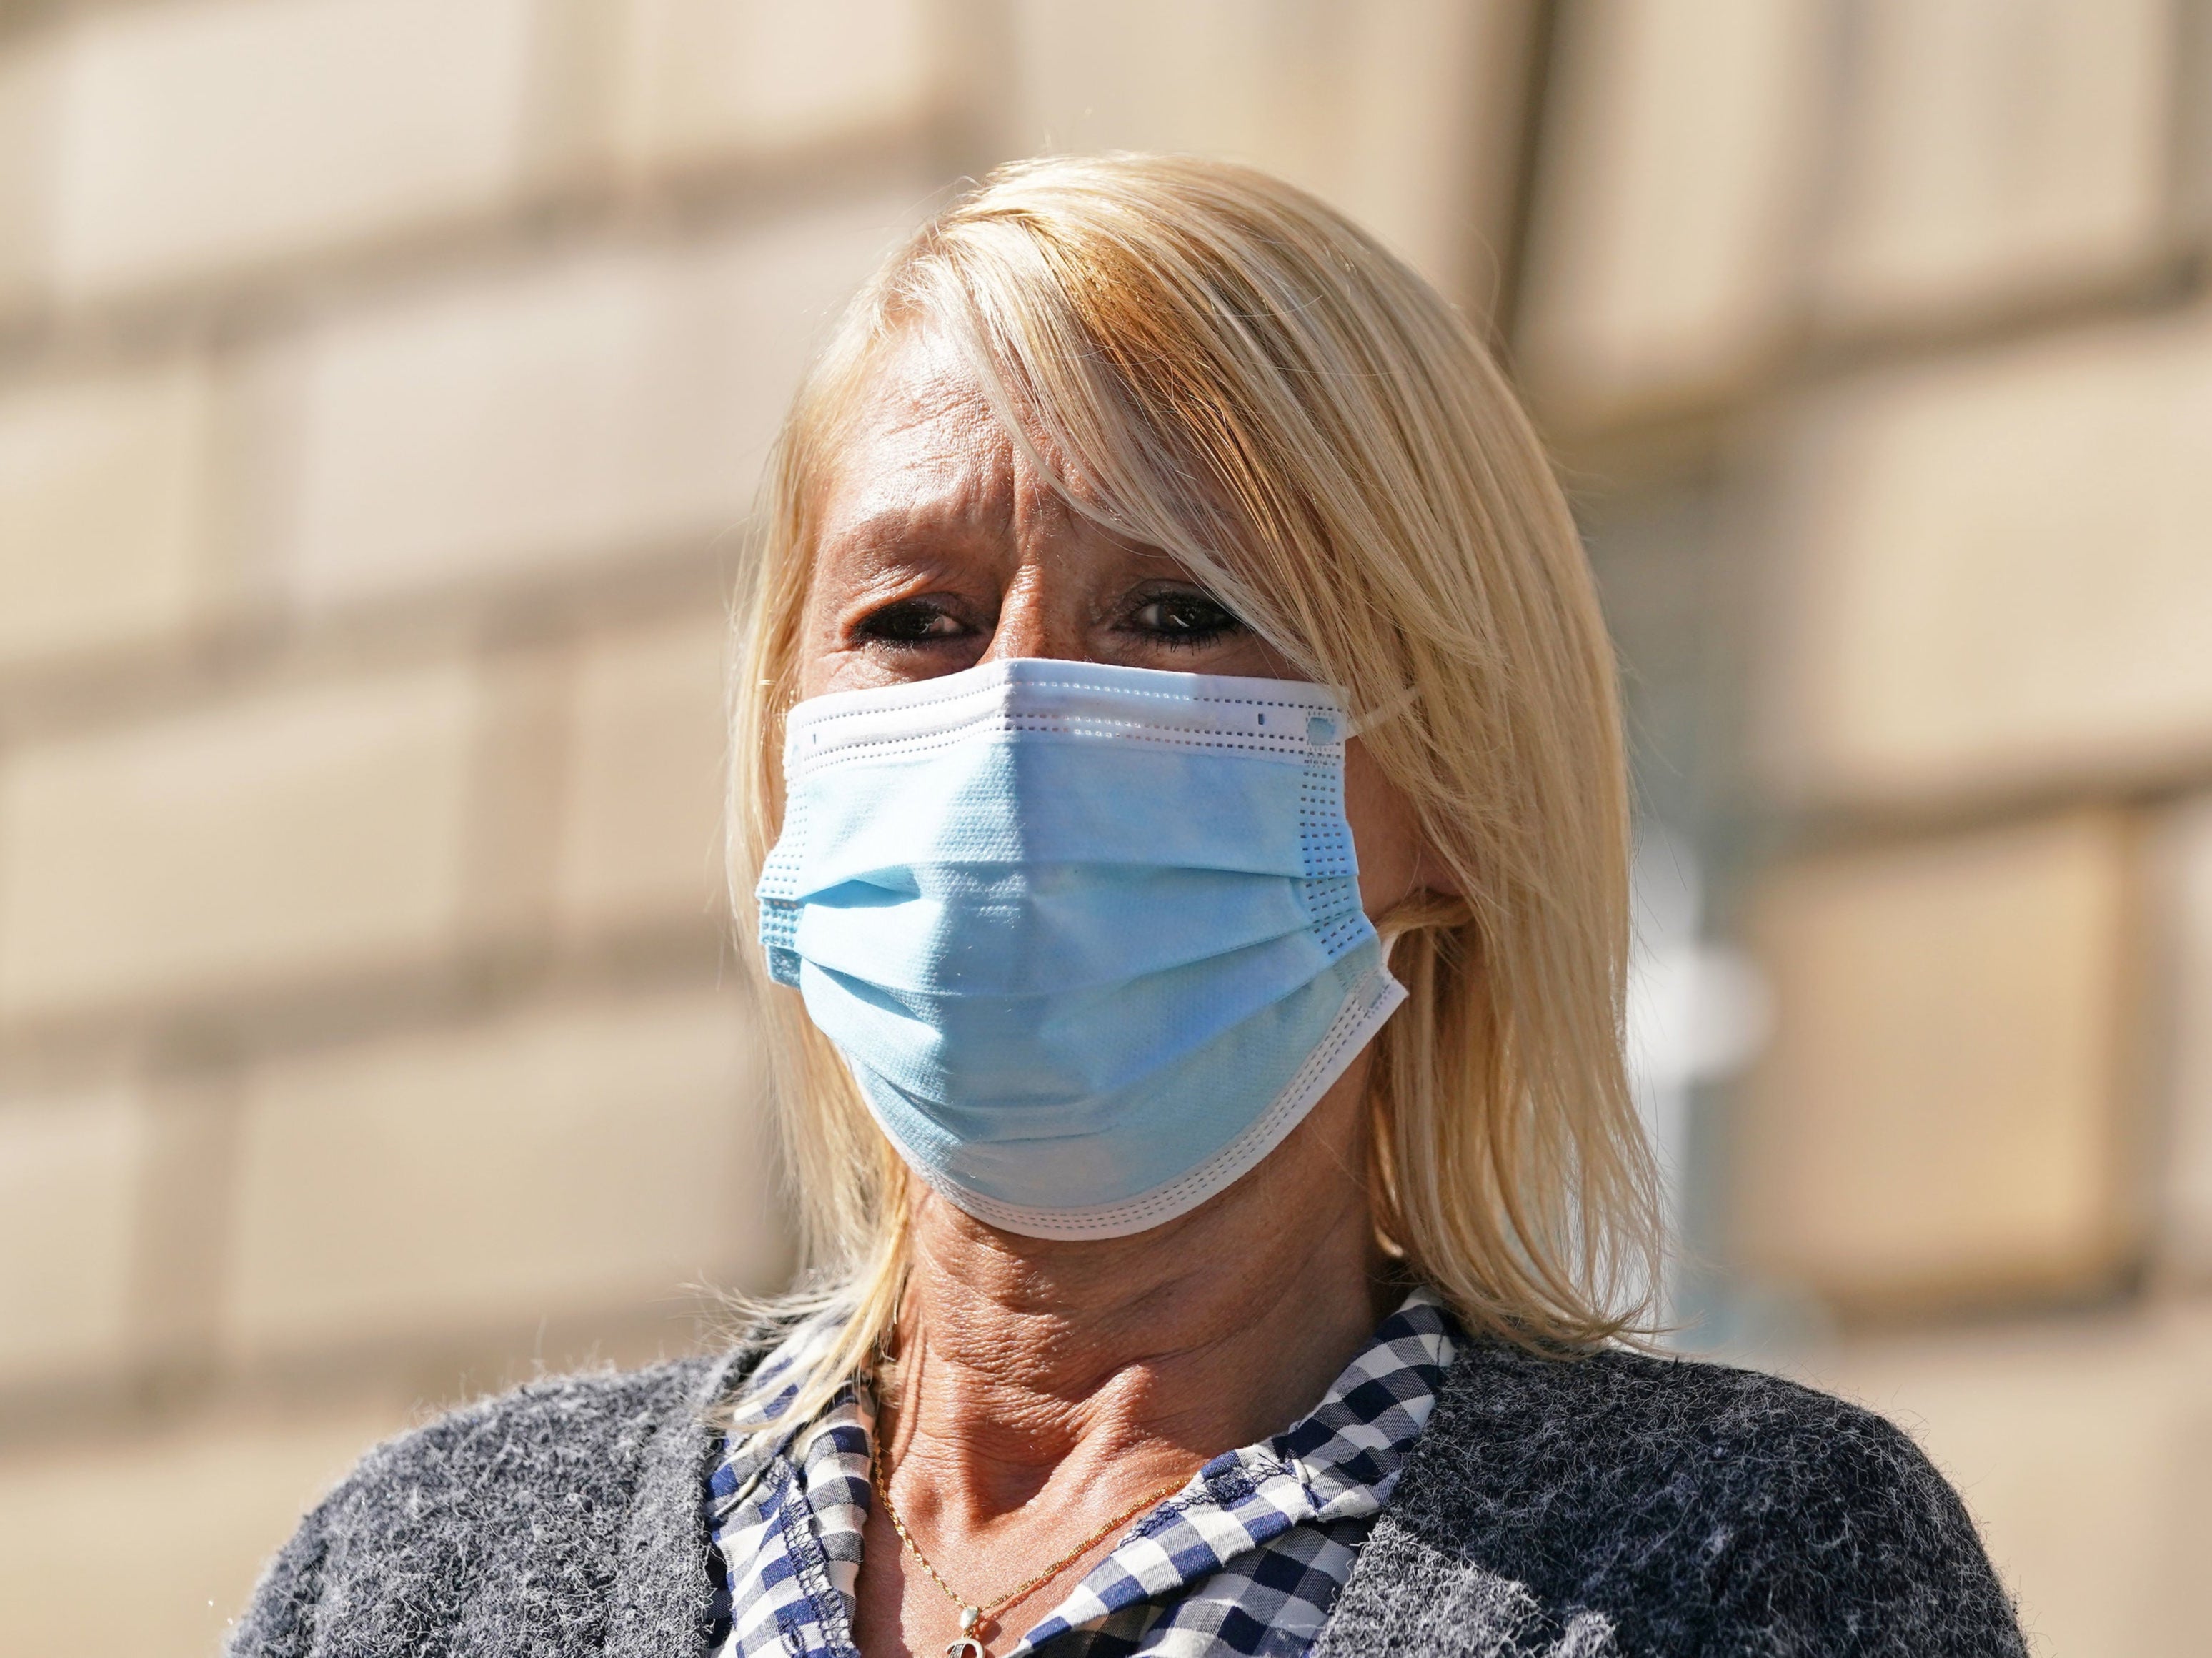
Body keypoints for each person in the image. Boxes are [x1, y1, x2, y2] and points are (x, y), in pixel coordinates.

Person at [230, 155, 2024, 1658]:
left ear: (1457, 797)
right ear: (782, 758)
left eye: (1177, 612)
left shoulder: (1747, 1566)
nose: (1012, 719)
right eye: (915, 618)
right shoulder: (417, 1575)